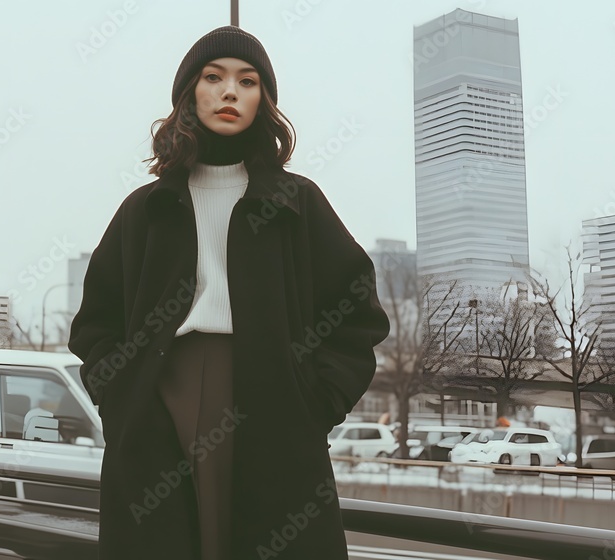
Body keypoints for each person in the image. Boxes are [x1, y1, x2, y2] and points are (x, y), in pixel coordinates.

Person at [69, 25, 390, 560]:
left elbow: (358, 312)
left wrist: (318, 399)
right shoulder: (145, 209)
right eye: (212, 78)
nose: (228, 92)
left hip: (273, 399)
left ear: (263, 99)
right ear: (188, 95)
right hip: (158, 397)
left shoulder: (296, 202)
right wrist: (121, 393)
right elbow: (95, 320)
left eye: (247, 81)